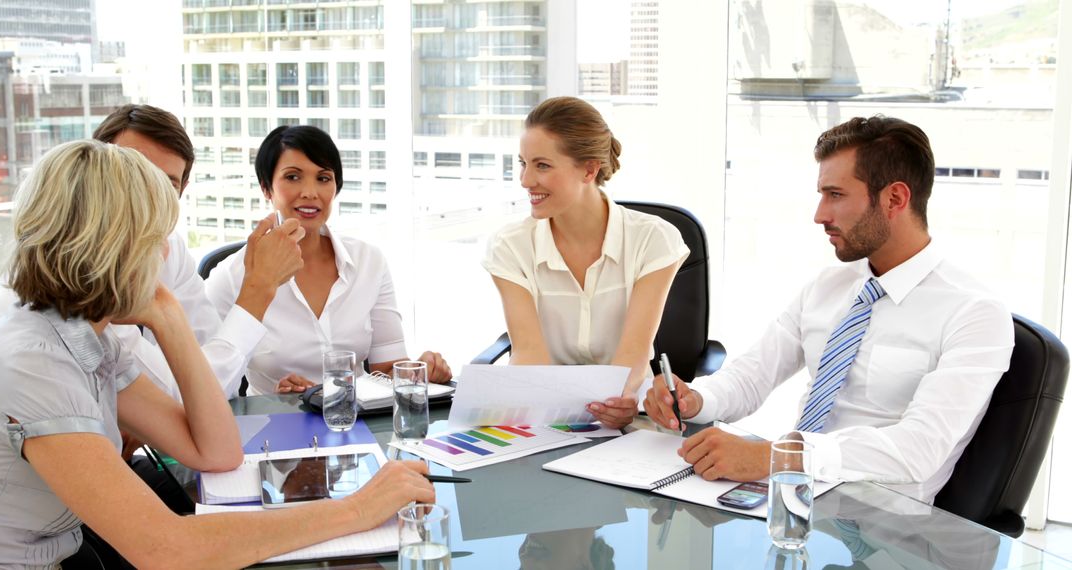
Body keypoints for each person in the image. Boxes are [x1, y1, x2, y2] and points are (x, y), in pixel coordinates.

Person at [0, 140, 435, 567]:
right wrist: (358, 509)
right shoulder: (34, 363)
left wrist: (167, 315)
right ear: (110, 246)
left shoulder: (90, 337)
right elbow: (168, 552)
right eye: (154, 237)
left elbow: (217, 452)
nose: (165, 251)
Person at [643, 116, 1014, 503]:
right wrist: (695, 399)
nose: (819, 215)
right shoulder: (828, 287)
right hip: (793, 501)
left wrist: (778, 457)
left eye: (835, 195)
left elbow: (917, 451)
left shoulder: (975, 313)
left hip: (883, 529)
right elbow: (751, 376)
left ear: (895, 199)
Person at [0, 104, 304, 401]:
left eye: (165, 184)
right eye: (133, 175)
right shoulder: (68, 270)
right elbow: (188, 396)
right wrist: (258, 288)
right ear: (96, 173)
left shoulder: (170, 249)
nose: (147, 195)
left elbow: (213, 385)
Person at [483, 96, 689, 429]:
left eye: (542, 165)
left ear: (589, 170)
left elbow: (634, 356)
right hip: (545, 419)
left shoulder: (654, 240)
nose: (525, 180)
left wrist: (619, 401)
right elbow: (529, 355)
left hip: (628, 419)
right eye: (522, 163)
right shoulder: (510, 247)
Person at [205, 125, 452, 395]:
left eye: (323, 178)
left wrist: (419, 371)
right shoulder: (229, 277)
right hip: (274, 424)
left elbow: (387, 369)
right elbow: (207, 385)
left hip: (356, 423)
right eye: (293, 177)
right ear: (266, 188)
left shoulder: (369, 262)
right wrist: (279, 398)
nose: (310, 192)